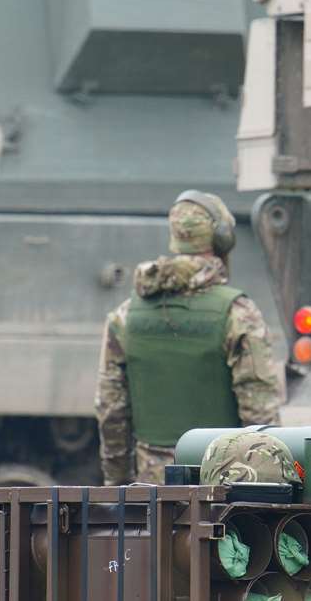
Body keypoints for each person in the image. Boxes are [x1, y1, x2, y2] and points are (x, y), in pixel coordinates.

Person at [95, 190, 282, 485]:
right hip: (223, 485)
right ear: (222, 239)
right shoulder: (238, 313)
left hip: (151, 489)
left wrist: (118, 485)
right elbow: (260, 413)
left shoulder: (125, 315)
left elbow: (111, 411)